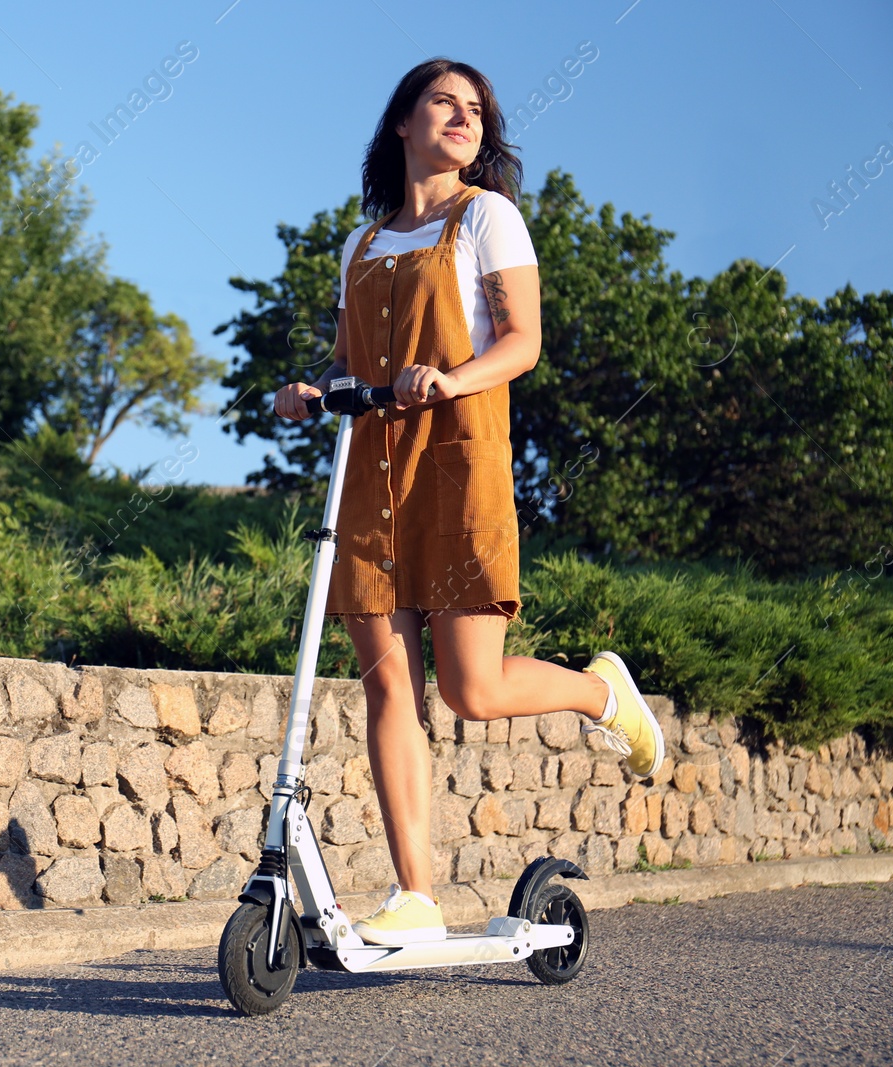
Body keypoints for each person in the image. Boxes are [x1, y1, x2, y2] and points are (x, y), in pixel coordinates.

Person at [273, 58, 664, 947]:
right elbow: (352, 364)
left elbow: (523, 341)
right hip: (371, 476)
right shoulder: (361, 243)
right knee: (389, 688)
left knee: (471, 689)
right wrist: (311, 390)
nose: (463, 118)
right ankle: (416, 896)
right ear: (402, 123)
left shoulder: (487, 217)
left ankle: (600, 692)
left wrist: (450, 379)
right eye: (443, 103)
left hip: (457, 464)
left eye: (477, 111)